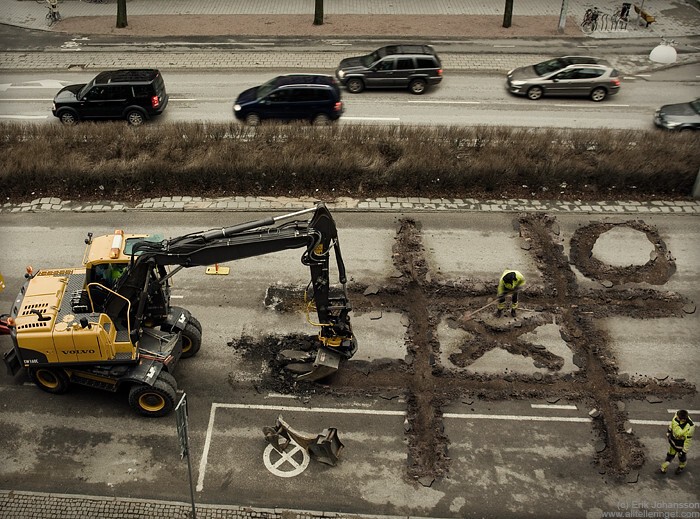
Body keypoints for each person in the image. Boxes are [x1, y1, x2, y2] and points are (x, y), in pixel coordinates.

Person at [660, 410, 694, 474]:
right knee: (670, 455)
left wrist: (684, 451)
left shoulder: (689, 427)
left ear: (683, 420)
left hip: (680, 445)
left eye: (678, 418)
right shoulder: (677, 415)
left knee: (681, 457)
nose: (676, 418)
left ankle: (681, 467)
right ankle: (664, 468)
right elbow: (672, 423)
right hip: (673, 442)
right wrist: (669, 431)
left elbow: (688, 441)